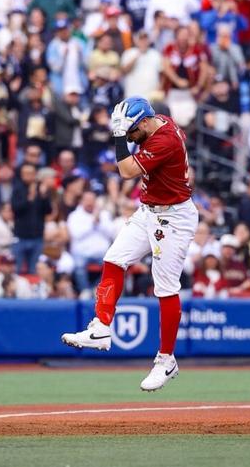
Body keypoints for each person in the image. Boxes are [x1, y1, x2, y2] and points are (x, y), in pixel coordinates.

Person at [61, 96, 198, 392]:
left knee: (165, 286)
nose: (131, 137)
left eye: (133, 131)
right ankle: (101, 328)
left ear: (146, 123)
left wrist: (120, 136)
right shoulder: (155, 122)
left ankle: (166, 360)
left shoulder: (164, 141)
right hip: (150, 209)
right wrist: (126, 126)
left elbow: (126, 170)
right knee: (114, 258)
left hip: (173, 217)